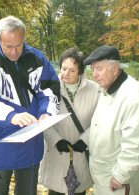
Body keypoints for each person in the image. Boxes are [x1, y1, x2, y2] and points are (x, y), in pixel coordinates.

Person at [0, 15, 60, 195]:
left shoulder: (37, 58)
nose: (14, 52)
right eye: (8, 46)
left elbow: (50, 89)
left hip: (30, 142)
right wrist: (11, 116)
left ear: (24, 38)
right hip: (0, 141)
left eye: (19, 45)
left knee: (27, 191)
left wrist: (46, 113)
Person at [83, 45, 139, 195]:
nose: (94, 74)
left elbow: (137, 143)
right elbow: (101, 126)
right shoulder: (107, 89)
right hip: (103, 177)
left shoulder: (132, 96)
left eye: (99, 69)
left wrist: (121, 176)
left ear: (115, 68)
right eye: (92, 69)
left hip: (118, 183)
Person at [39, 48, 100, 195]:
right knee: (55, 190)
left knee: (78, 190)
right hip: (56, 152)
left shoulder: (95, 90)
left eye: (72, 70)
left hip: (80, 152)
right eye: (63, 68)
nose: (65, 73)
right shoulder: (49, 88)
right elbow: (42, 117)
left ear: (80, 72)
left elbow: (99, 120)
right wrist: (56, 140)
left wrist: (85, 140)